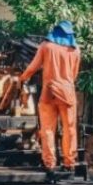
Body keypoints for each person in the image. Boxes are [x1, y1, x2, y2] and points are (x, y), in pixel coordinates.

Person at [19, 21, 81, 175]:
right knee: (70, 128)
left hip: (49, 92)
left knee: (47, 130)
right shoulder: (75, 50)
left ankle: (49, 164)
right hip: (67, 92)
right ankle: (69, 163)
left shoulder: (46, 46)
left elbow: (33, 67)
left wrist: (22, 78)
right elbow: (74, 74)